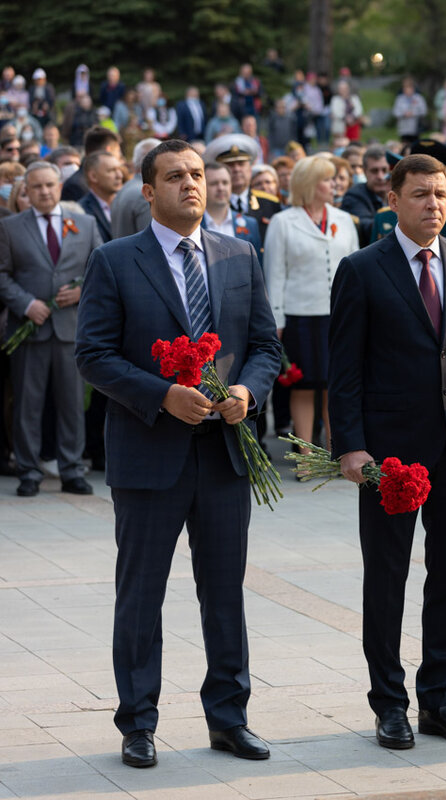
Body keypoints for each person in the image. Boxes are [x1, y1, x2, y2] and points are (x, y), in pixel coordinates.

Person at [75, 139, 281, 767]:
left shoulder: (240, 254)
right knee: (141, 593)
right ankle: (137, 722)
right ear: (148, 191)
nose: (191, 185)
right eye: (175, 176)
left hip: (224, 454)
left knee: (225, 592)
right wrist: (162, 395)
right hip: (148, 454)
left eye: (197, 174)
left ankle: (229, 717)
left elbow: (267, 347)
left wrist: (247, 388)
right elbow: (94, 355)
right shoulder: (114, 260)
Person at [328, 153, 446, 749]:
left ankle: (439, 699)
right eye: (421, 194)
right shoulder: (362, 268)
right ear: (393, 200)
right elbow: (345, 369)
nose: (434, 204)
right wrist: (351, 447)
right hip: (390, 454)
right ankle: (388, 704)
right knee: (386, 577)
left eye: (441, 195)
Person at [0, 161, 103, 497]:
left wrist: (81, 289)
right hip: (29, 327)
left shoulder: (85, 224)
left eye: (50, 185)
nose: (44, 192)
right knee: (28, 403)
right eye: (37, 187)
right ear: (26, 191)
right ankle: (29, 471)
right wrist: (26, 304)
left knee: (72, 403)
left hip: (71, 329)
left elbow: (101, 270)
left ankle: (71, 469)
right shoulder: (11, 227)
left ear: (60, 187)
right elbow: (2, 274)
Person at [264, 155, 358, 453]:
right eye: (328, 179)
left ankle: (337, 451)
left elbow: (356, 269)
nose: (334, 184)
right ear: (310, 184)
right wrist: (276, 321)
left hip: (340, 315)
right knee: (303, 386)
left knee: (337, 385)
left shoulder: (343, 219)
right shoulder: (283, 221)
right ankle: (305, 454)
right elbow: (275, 275)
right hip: (300, 316)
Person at [78, 150, 125, 243]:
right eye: (111, 170)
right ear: (93, 176)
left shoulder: (127, 203)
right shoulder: (81, 210)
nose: (119, 175)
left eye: (119, 169)